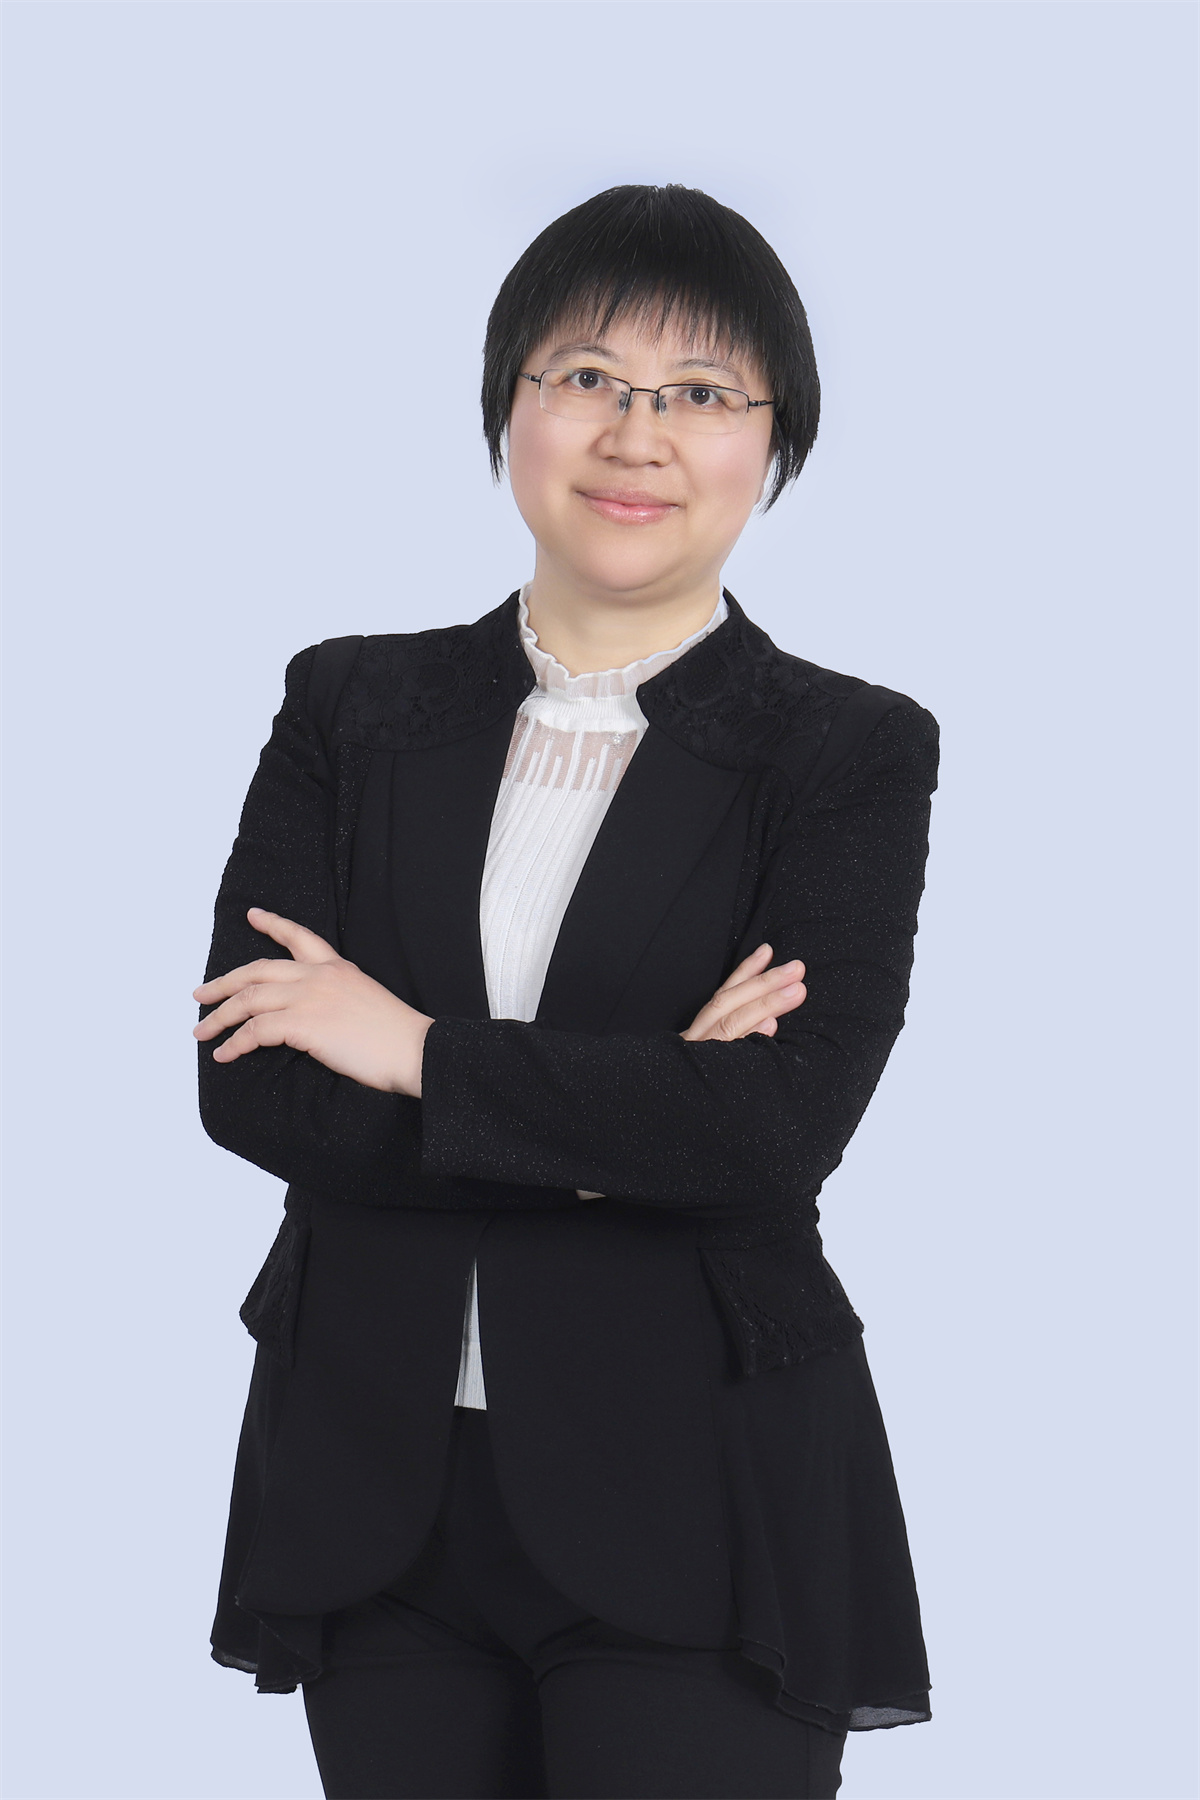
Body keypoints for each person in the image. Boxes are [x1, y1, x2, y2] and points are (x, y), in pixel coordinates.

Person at [194, 183, 939, 1800]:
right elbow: (253, 1084)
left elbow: (776, 1128)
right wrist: (641, 1117)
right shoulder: (349, 707)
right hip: (374, 1482)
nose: (636, 434)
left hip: (699, 1486)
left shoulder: (845, 751)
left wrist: (409, 1048)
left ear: (775, 441)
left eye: (701, 393)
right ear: (509, 404)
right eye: (588, 376)